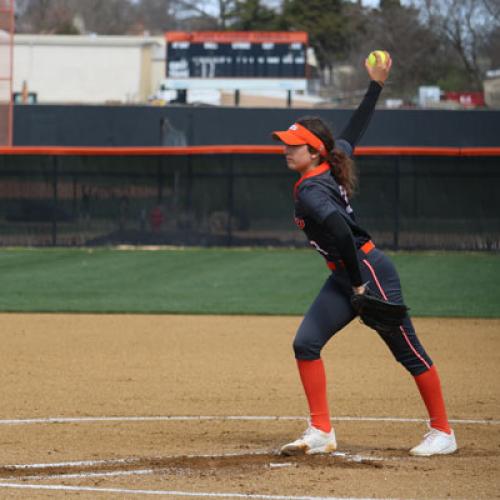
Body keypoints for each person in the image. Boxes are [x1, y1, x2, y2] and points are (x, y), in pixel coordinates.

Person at [272, 52, 457, 457]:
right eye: (286, 144)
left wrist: (358, 282)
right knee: (306, 344)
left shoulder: (310, 191)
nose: (286, 150)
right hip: (348, 273)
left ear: (315, 153)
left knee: (407, 350)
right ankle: (321, 431)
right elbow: (354, 130)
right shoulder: (329, 162)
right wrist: (376, 85)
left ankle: (443, 432)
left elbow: (340, 230)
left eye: (294, 146)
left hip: (368, 271)